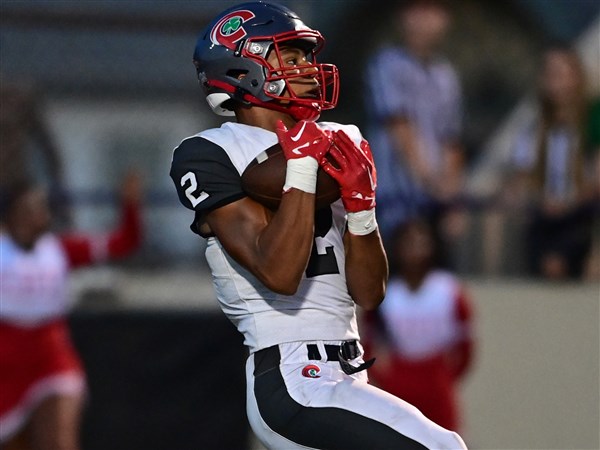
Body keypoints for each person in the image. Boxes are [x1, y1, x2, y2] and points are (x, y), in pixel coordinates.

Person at [169, 2, 467, 449]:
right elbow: (280, 273)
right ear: (242, 65)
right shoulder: (209, 152)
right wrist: (303, 167)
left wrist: (363, 208)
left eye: (307, 56)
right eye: (291, 57)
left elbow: (369, 294)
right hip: (291, 377)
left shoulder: (341, 136)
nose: (308, 68)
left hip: (348, 371)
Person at [0, 173, 143, 450]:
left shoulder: (59, 249)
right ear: (12, 215)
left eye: (42, 207)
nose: (39, 215)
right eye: (30, 209)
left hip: (51, 359)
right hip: (6, 367)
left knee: (58, 442)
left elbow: (125, 243)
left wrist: (130, 205)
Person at [363, 0, 466, 255]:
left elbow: (451, 139)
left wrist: (451, 196)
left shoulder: (445, 74)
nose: (425, 20)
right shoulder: (385, 64)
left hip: (433, 204)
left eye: (434, 11)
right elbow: (399, 128)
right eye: (417, 11)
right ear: (403, 16)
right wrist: (432, 183)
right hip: (393, 201)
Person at [362, 219, 475, 432]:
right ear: (397, 247)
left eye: (421, 241)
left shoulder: (448, 289)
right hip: (398, 378)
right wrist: (382, 377)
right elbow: (368, 342)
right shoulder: (386, 291)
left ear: (432, 246)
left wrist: (448, 376)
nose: (415, 248)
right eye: (409, 242)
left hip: (437, 378)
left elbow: (467, 344)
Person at [508, 45, 598, 280]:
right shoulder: (534, 129)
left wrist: (567, 202)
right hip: (543, 220)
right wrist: (532, 195)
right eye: (550, 74)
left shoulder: (591, 122)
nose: (556, 83)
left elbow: (595, 179)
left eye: (562, 74)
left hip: (581, 220)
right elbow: (521, 180)